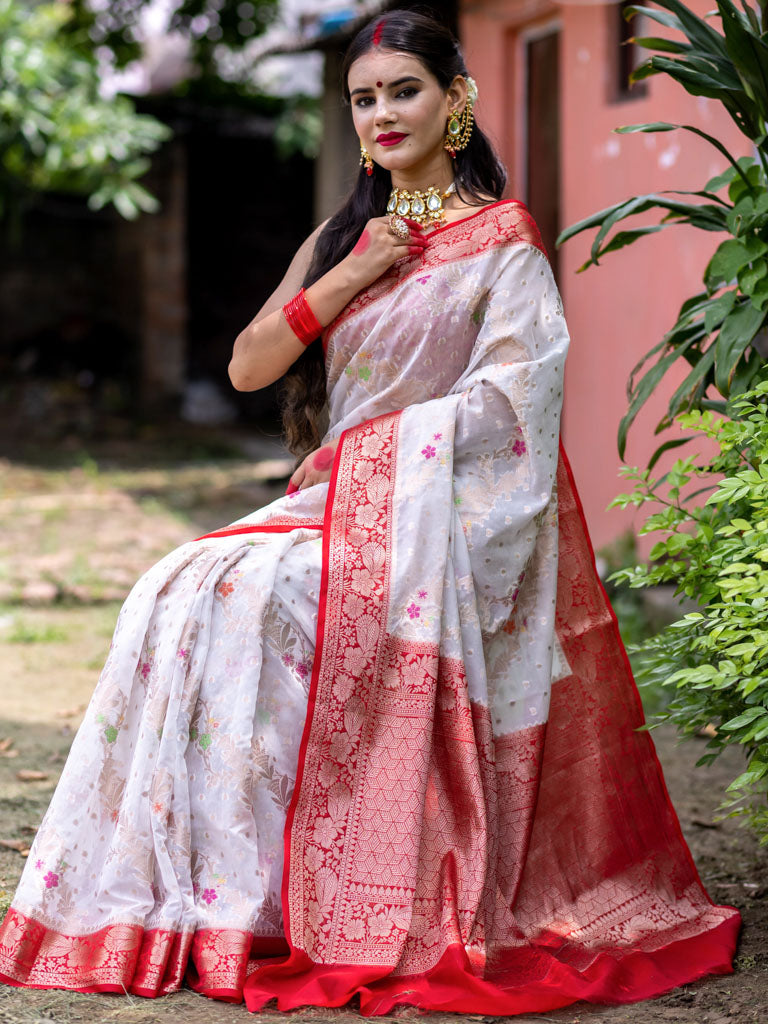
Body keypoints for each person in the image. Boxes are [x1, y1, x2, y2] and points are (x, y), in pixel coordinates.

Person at [0, 10, 740, 1016]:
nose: (383, 112)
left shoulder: (501, 240)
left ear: (457, 100)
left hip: (432, 518)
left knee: (259, 591)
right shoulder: (343, 233)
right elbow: (250, 364)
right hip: (333, 500)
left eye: (405, 90)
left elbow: (512, 407)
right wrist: (356, 269)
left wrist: (376, 461)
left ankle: (311, 895)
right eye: (364, 98)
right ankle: (218, 903)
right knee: (177, 582)